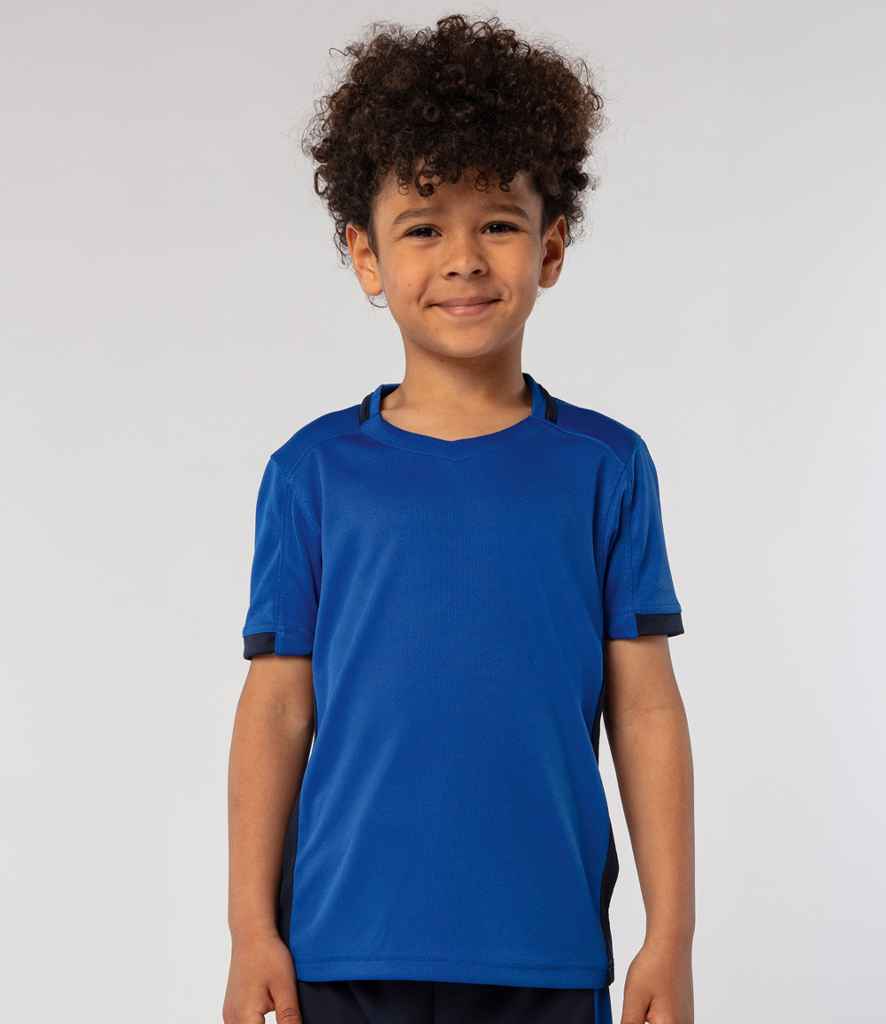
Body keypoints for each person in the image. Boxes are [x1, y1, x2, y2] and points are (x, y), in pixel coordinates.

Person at [223, 14, 694, 1024]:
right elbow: (276, 710)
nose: (465, 259)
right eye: (424, 227)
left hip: (546, 950)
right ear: (365, 255)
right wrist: (250, 929)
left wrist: (671, 934)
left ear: (550, 246)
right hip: (345, 946)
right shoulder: (311, 474)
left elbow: (645, 710)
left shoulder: (605, 469)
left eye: (499, 224)